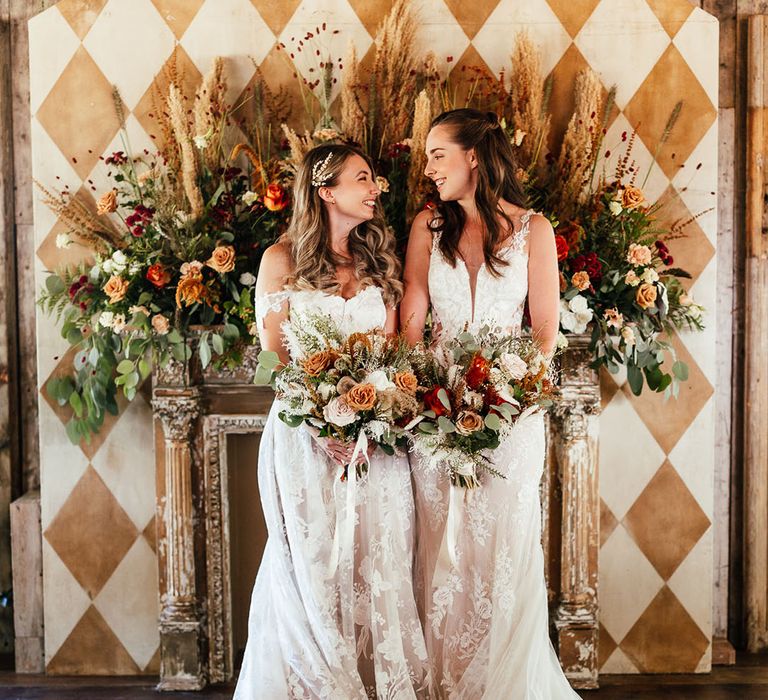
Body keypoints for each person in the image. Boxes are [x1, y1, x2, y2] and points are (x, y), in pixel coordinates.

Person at [234, 143, 429, 699]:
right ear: (324, 191)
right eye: (363, 178)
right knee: (313, 564)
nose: (375, 189)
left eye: (374, 180)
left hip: (374, 443)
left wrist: (371, 420)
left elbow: (392, 357)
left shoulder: (378, 262)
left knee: (377, 559)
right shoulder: (281, 260)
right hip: (303, 439)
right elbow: (273, 359)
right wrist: (322, 424)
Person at [400, 108, 580, 699]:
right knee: (441, 547)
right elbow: (413, 321)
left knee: (502, 550)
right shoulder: (426, 227)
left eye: (437, 155)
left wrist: (509, 394)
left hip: (511, 419)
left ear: (473, 157)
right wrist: (421, 393)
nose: (428, 170)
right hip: (436, 414)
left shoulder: (534, 229)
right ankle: (444, 684)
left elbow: (545, 332)